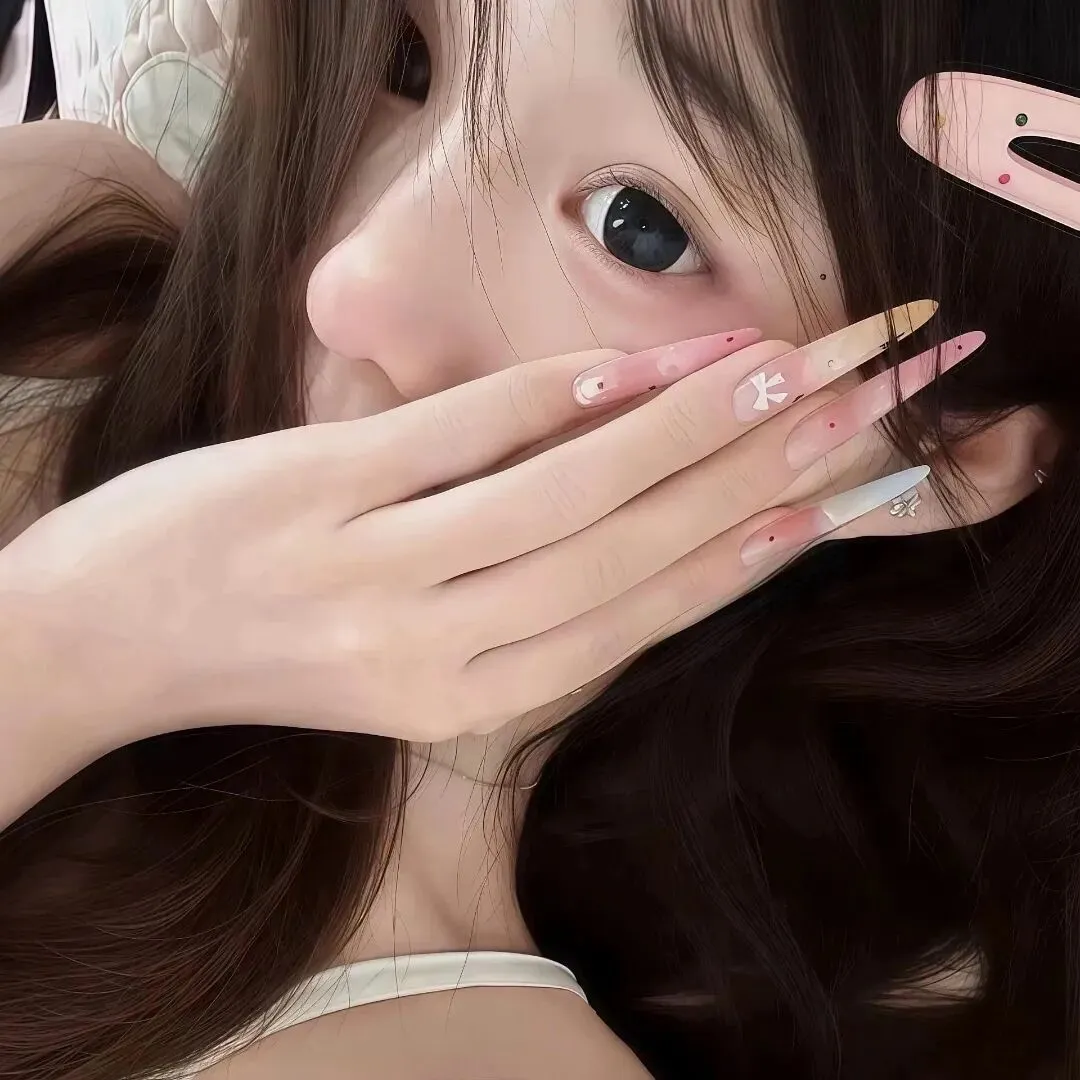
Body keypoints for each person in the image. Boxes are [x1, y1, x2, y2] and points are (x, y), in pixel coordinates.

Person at [0, 1, 1075, 1078]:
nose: (351, 281)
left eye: (638, 226)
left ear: (939, 454)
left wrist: (88, 648)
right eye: (407, 57)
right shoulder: (58, 243)